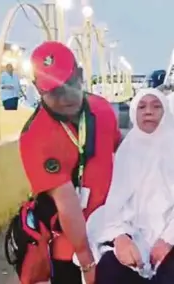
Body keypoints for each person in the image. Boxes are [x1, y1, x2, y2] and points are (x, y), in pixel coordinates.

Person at [19, 41, 121, 284]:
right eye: (54, 92)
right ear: (37, 89)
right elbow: (67, 204)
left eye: (70, 84)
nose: (65, 98)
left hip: (112, 232)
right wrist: (86, 261)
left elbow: (123, 154)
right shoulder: (35, 137)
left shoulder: (102, 109)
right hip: (69, 246)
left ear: (81, 76)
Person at [96, 88, 174, 284]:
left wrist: (170, 238)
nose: (148, 111)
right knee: (109, 269)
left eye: (156, 106)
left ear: (166, 112)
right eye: (142, 107)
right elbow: (114, 205)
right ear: (134, 113)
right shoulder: (127, 150)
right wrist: (120, 237)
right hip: (137, 235)